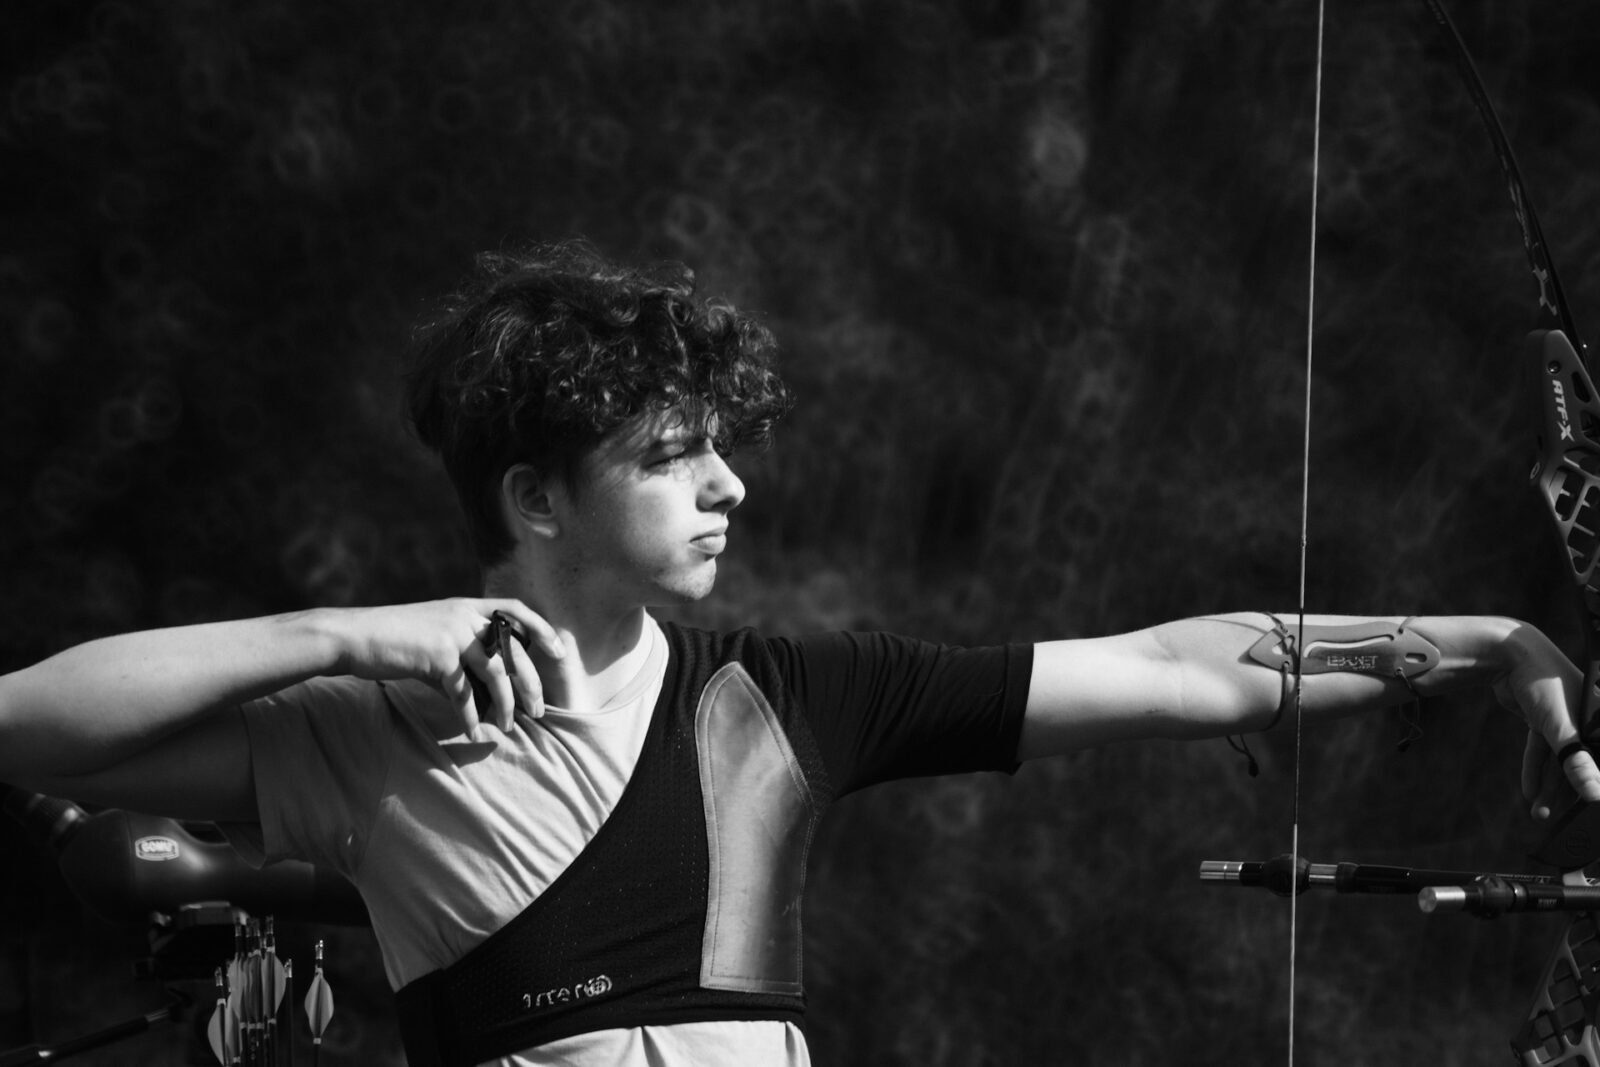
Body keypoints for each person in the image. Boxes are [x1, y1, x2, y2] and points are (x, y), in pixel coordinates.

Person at [1, 239, 1596, 1067]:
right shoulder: (369, 722)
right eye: (672, 456)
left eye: (722, 448)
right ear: (538, 499)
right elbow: (25, 723)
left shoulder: (781, 704)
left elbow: (1188, 671)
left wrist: (1481, 640)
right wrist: (343, 632)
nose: (730, 488)